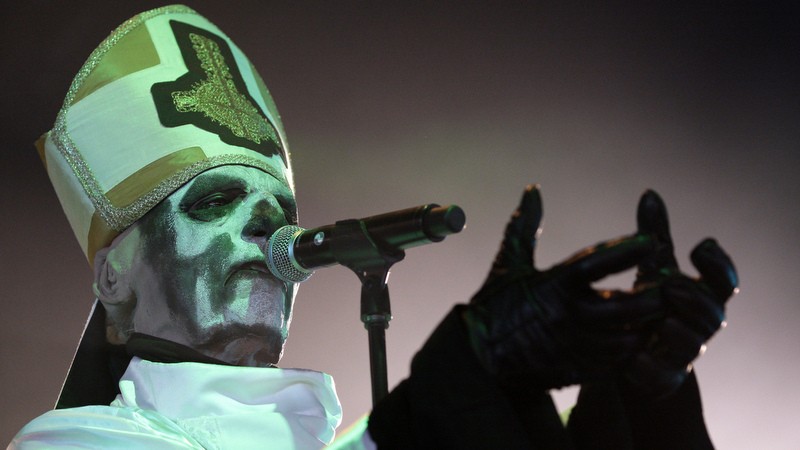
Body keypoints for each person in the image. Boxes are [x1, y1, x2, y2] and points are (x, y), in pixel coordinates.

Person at [9, 5, 738, 450]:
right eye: (211, 202)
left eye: (279, 213)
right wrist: (454, 391)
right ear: (114, 276)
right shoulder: (72, 445)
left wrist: (640, 401)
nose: (265, 229)